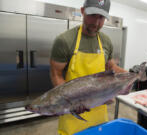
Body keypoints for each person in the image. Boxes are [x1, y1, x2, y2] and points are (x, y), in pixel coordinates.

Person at [50, 0, 126, 134]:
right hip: (73, 112)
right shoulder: (64, 40)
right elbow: (56, 73)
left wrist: (131, 75)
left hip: (99, 108)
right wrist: (70, 102)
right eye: (92, 15)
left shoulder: (106, 41)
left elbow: (111, 67)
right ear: (82, 11)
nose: (96, 22)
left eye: (101, 17)